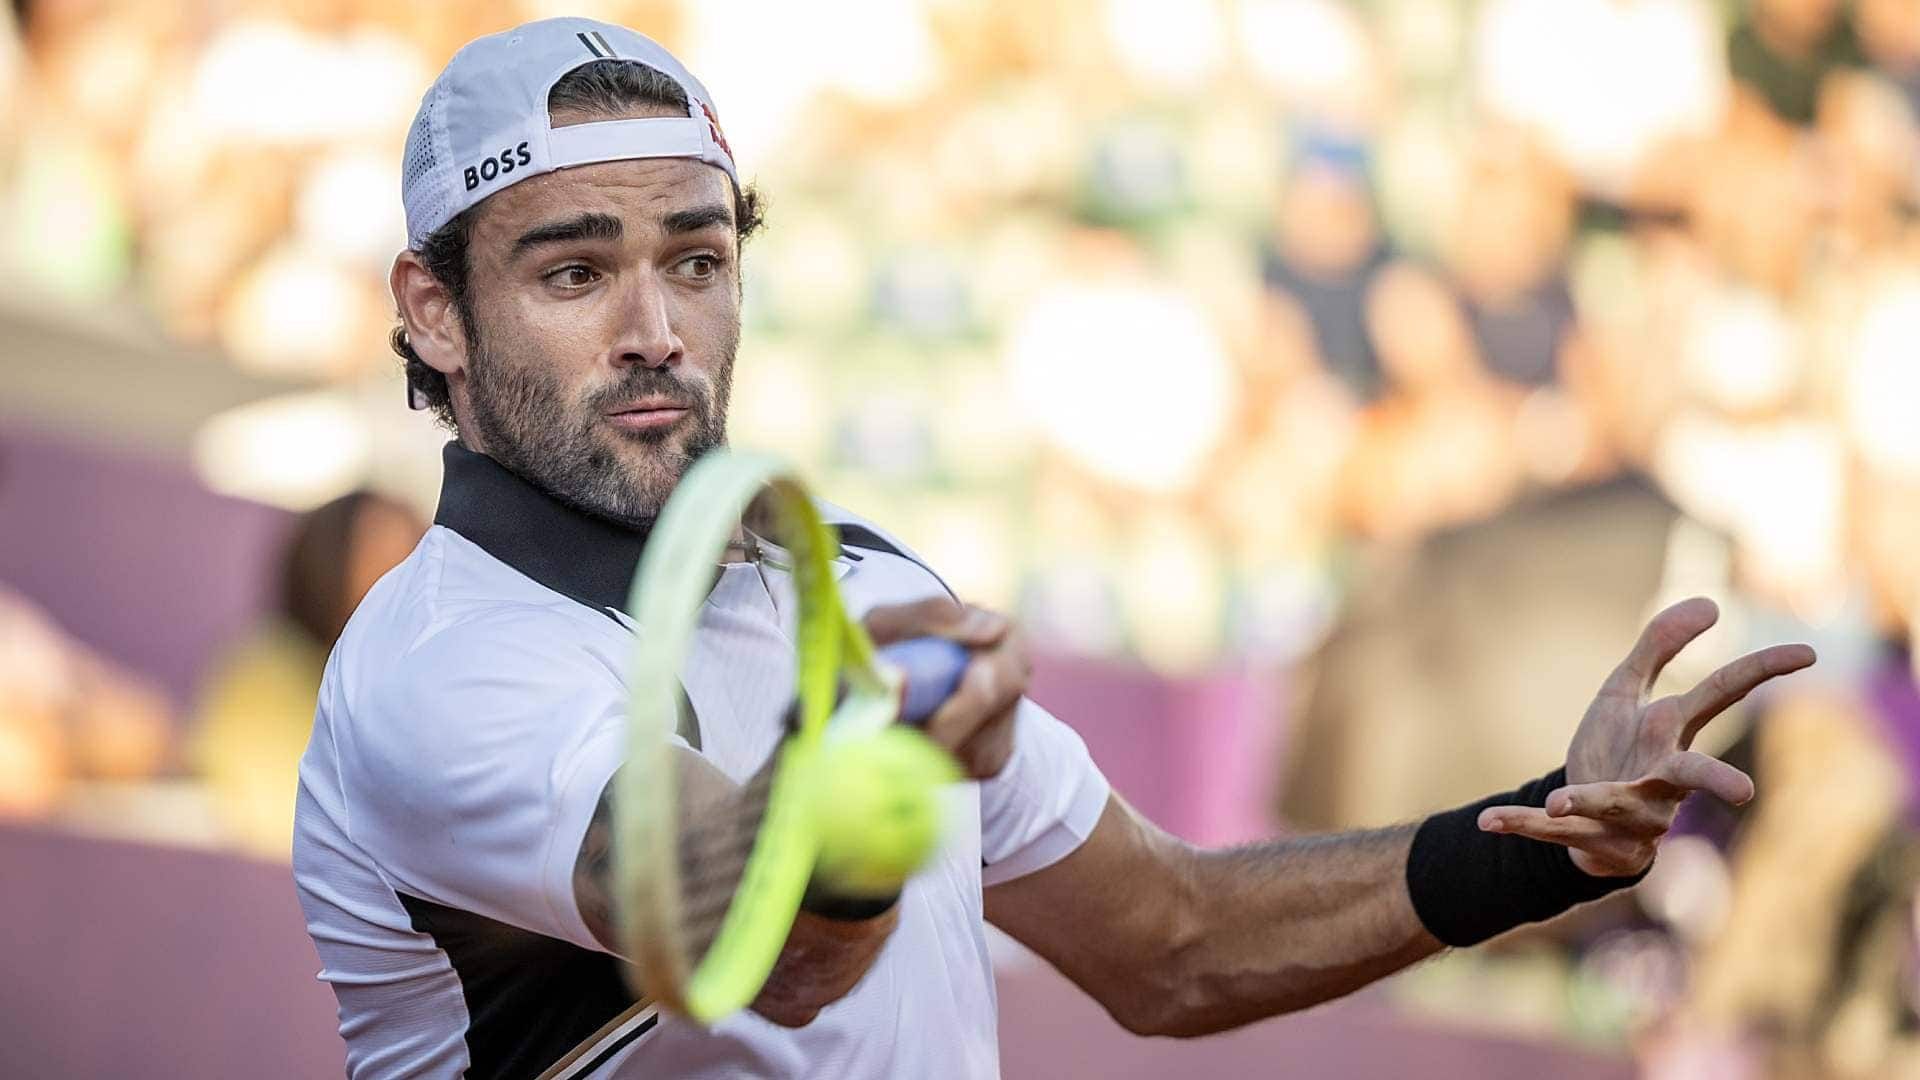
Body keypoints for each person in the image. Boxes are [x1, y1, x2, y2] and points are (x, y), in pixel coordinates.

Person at [291, 19, 1819, 1078]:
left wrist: (1539, 840)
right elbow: (772, 950)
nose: (656, 330)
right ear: (435, 311)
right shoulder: (435, 671)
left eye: (697, 260)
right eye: (574, 274)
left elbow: (1173, 941)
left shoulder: (875, 592)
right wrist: (872, 776)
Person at [192, 489, 423, 859]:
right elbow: (279, 823)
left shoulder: (431, 690)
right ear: (328, 574)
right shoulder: (269, 675)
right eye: (389, 561)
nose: (419, 579)